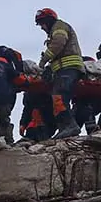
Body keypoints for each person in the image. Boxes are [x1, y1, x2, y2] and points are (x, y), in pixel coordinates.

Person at [35, 8, 83, 139]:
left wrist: (44, 60)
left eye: (42, 23)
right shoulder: (55, 29)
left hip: (69, 68)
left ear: (49, 20)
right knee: (57, 97)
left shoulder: (59, 26)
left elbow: (58, 43)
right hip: (64, 69)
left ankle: (69, 126)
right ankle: (64, 128)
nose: (42, 27)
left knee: (59, 97)